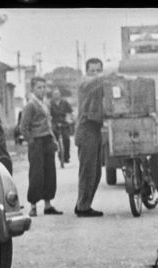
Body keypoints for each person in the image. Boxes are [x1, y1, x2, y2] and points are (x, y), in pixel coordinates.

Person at [18, 76, 61, 217]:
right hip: (36, 142)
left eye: (44, 87)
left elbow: (49, 124)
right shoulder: (31, 105)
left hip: (47, 140)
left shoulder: (46, 104)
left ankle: (48, 205)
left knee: (50, 173)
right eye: (39, 87)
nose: (42, 90)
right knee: (36, 174)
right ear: (32, 89)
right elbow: (23, 127)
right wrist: (31, 141)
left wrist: (53, 140)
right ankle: (33, 205)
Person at [74, 57, 105, 218]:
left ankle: (84, 203)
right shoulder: (85, 83)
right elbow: (92, 83)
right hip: (86, 129)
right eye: (92, 70)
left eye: (98, 70)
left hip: (96, 128)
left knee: (96, 172)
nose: (95, 74)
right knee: (88, 171)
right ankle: (83, 206)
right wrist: (106, 75)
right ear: (86, 72)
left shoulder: (100, 85)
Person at [49, 85, 73, 168]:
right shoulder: (50, 103)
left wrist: (69, 119)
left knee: (66, 138)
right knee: (53, 140)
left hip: (64, 122)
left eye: (57, 93)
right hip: (54, 123)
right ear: (52, 95)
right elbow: (48, 114)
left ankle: (66, 156)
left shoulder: (65, 102)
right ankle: (57, 153)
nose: (56, 95)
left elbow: (70, 112)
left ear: (60, 94)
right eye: (54, 94)